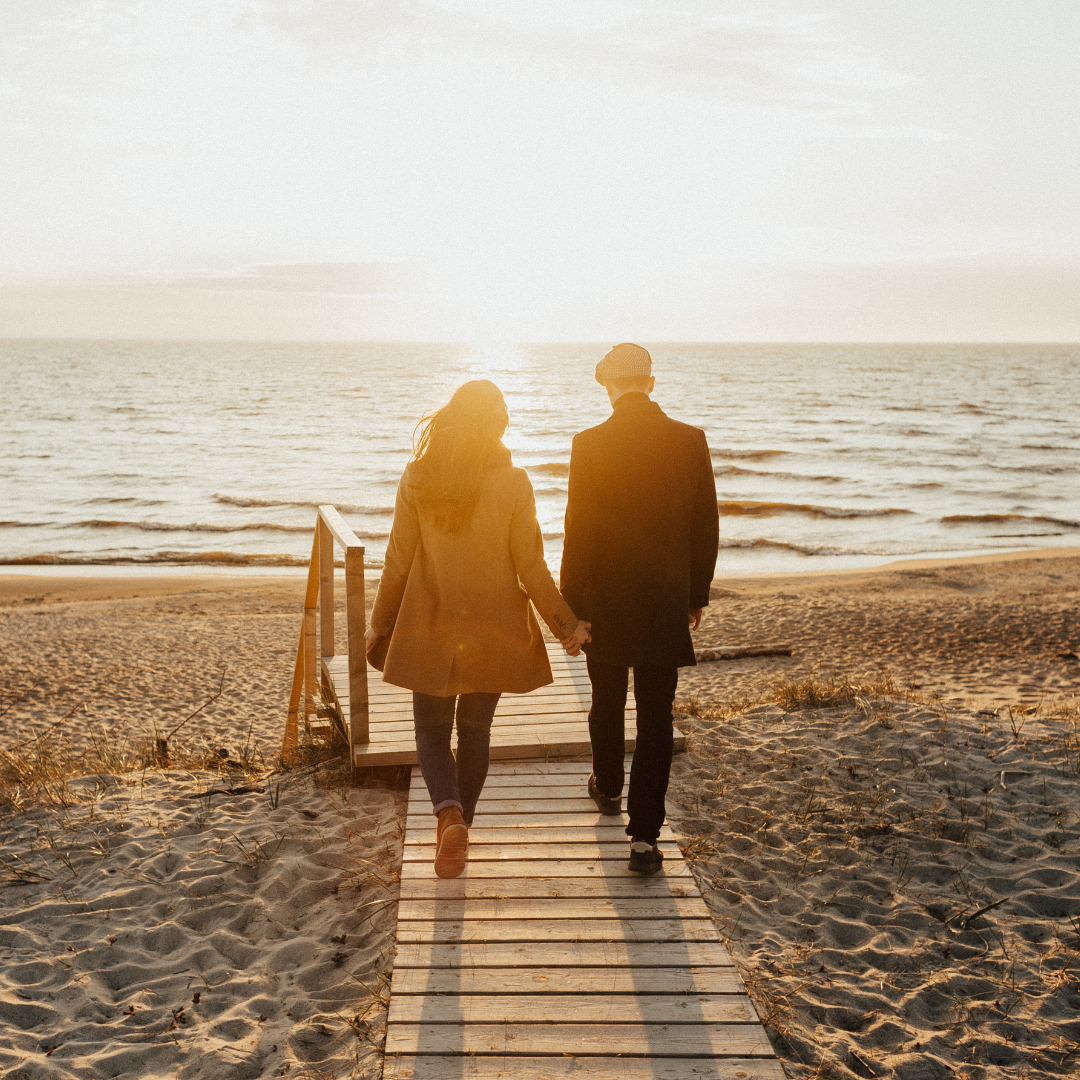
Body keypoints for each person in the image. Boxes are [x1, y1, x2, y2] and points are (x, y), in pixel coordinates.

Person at [365, 380, 591, 879]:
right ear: (497, 426)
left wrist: (378, 624)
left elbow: (397, 561)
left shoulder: (418, 479)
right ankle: (460, 822)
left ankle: (448, 817)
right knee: (475, 730)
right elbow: (532, 569)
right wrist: (566, 626)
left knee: (429, 729)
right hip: (495, 626)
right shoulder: (515, 483)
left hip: (430, 622)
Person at [560, 343, 719, 873]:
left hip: (604, 601)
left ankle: (607, 785)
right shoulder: (689, 440)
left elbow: (576, 532)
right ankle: (645, 838)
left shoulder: (589, 444)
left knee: (606, 701)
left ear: (608, 387)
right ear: (650, 383)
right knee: (655, 717)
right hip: (663, 600)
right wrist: (695, 594)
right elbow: (705, 526)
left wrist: (573, 608)